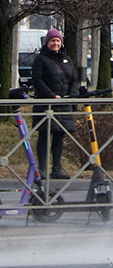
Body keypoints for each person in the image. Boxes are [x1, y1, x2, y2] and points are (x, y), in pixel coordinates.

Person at [30, 28, 79, 179]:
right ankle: (43, 169)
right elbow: (37, 80)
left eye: (58, 41)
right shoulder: (41, 59)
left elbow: (74, 79)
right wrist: (52, 96)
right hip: (46, 104)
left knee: (59, 135)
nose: (55, 43)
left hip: (64, 104)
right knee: (44, 135)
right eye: (53, 40)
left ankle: (57, 168)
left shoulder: (67, 59)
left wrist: (73, 96)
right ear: (47, 42)